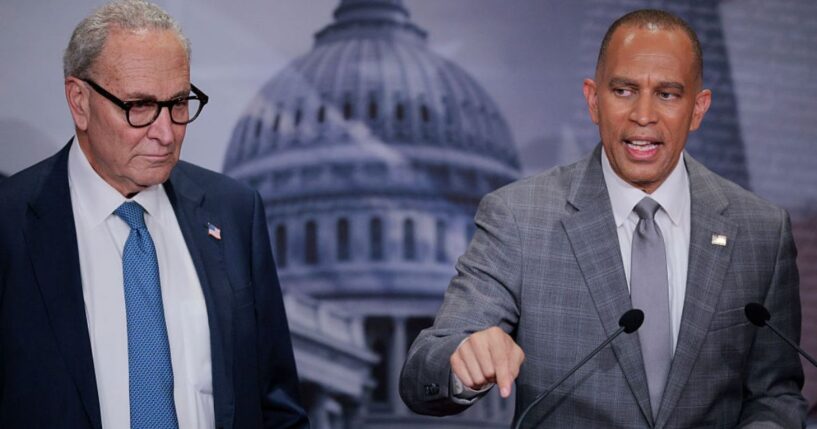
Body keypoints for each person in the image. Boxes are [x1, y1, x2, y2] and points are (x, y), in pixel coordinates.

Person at [400, 9, 807, 428]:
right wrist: (462, 361)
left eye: (667, 94)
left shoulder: (761, 231)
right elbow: (421, 373)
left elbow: (775, 393)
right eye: (624, 90)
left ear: (698, 108)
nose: (643, 115)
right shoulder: (520, 218)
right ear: (594, 100)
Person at [0, 1, 308, 428]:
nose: (166, 133)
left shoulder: (234, 213)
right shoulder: (10, 223)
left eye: (179, 103)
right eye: (139, 106)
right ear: (79, 101)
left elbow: (276, 406)